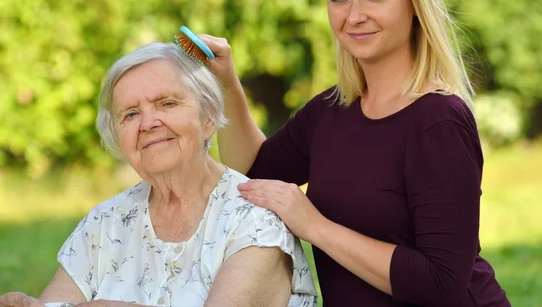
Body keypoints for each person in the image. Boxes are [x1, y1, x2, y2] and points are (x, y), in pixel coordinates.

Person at [195, 0, 511, 307]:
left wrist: (315, 226)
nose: (354, 14)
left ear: (414, 0)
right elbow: (253, 173)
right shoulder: (331, 110)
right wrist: (227, 83)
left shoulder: (439, 121)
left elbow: (442, 283)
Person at [0, 43, 317, 307]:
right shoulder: (105, 223)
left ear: (208, 119)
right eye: (131, 114)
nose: (148, 122)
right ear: (117, 137)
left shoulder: (255, 219)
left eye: (166, 103)